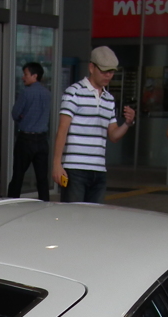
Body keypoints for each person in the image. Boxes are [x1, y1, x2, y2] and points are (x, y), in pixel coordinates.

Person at [52, 46, 136, 203]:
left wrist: (128, 123)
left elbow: (113, 135)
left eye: (111, 72)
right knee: (73, 218)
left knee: (94, 220)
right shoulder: (73, 92)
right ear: (91, 67)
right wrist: (57, 164)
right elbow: (62, 129)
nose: (108, 75)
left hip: (98, 169)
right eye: (104, 71)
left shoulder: (109, 99)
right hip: (75, 168)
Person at [7, 61, 51, 202]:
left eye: (25, 74)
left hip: (25, 139)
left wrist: (23, 119)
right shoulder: (47, 93)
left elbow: (15, 113)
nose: (23, 77)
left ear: (34, 75)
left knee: (18, 176)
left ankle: (12, 203)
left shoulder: (26, 93)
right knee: (42, 178)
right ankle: (44, 204)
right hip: (42, 140)